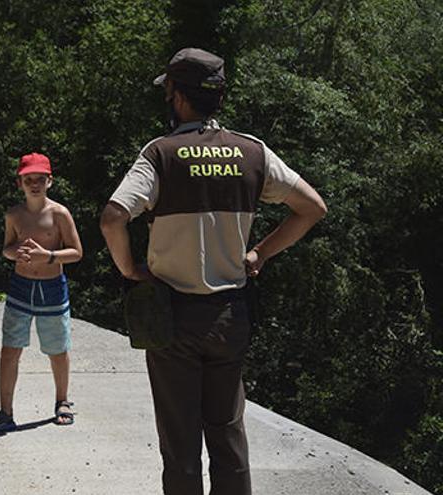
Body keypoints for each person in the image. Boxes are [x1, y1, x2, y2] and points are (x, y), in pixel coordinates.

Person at [100, 48, 327, 495]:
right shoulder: (253, 153)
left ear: (178, 96)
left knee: (180, 442)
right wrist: (258, 254)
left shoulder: (160, 154)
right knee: (227, 434)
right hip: (230, 314)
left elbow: (112, 216)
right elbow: (313, 208)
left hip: (173, 317)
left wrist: (131, 269)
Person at [0, 152, 83, 434]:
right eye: (29, 179)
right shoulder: (14, 214)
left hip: (52, 287)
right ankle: (5, 412)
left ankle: (62, 400)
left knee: (58, 349)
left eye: (39, 179)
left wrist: (47, 256)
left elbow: (76, 252)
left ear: (49, 181)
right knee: (10, 348)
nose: (34, 184)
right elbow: (6, 248)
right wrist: (18, 254)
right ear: (20, 183)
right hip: (21, 287)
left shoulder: (59, 213)